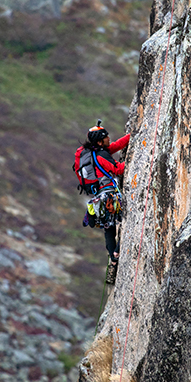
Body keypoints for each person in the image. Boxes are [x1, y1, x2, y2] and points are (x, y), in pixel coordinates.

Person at [73, 121, 130, 283]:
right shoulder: (101, 155)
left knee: (109, 228)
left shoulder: (93, 153)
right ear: (99, 142)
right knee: (127, 221)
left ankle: (113, 258)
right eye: (106, 137)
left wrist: (132, 136)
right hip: (110, 195)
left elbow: (115, 146)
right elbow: (118, 169)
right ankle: (117, 253)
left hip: (98, 198)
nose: (109, 138)